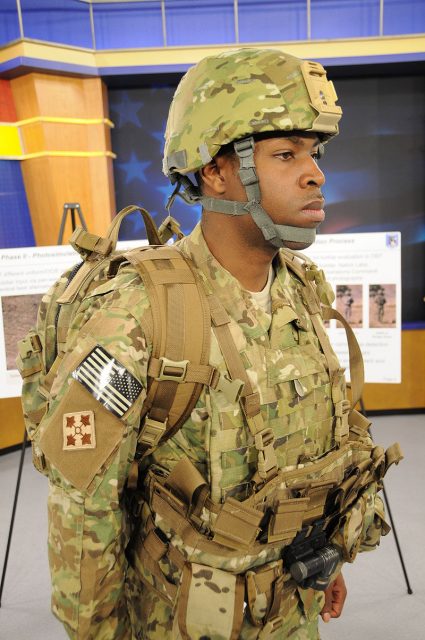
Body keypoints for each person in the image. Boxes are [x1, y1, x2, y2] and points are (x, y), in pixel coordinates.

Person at [32, 48, 392, 639]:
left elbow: (314, 447)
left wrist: (324, 557)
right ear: (214, 171)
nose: (315, 173)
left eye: (314, 154)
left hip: (291, 609)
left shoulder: (301, 291)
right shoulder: (140, 311)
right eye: (285, 154)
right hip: (181, 621)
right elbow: (83, 508)